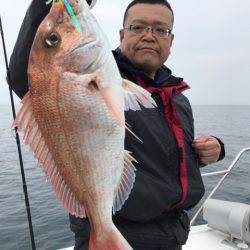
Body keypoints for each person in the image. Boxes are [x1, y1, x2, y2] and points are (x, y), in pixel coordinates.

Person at [9, 0, 225, 249]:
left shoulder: (178, 98)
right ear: (122, 34)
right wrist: (46, 5)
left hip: (174, 234)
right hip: (119, 231)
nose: (149, 36)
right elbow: (26, 76)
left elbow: (165, 154)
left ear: (171, 40)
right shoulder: (101, 76)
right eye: (138, 27)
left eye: (160, 29)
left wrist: (212, 150)